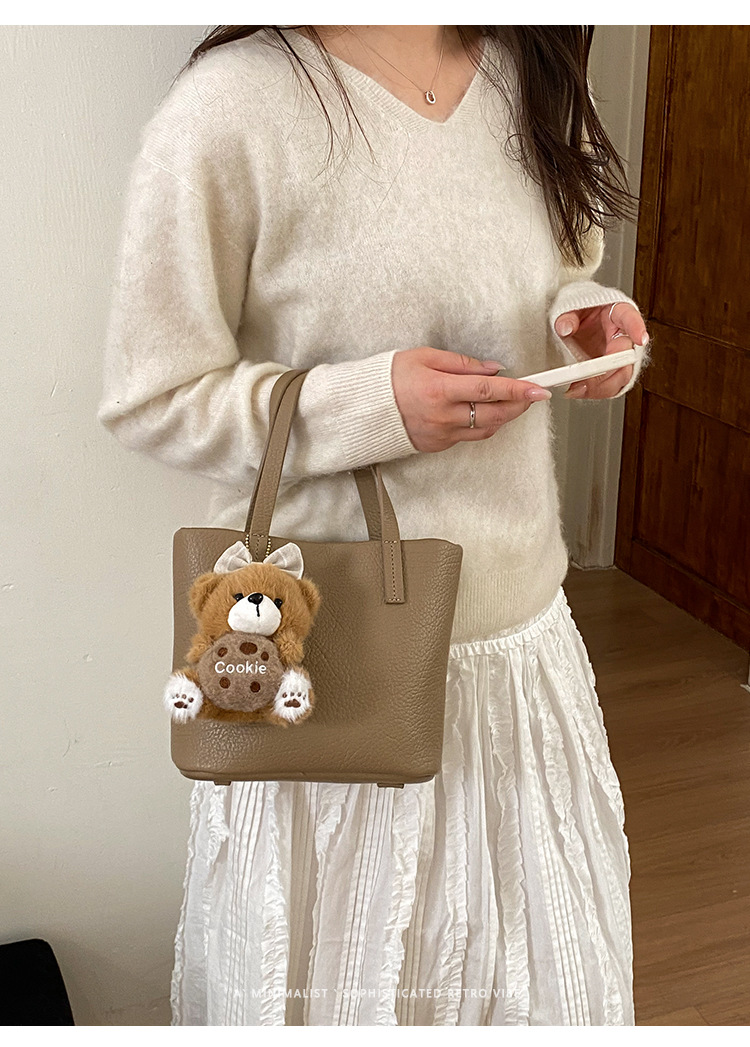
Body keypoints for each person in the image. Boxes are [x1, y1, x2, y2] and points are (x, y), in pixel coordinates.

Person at [98, 25, 652, 1026]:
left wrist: (587, 319)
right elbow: (154, 397)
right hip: (332, 670)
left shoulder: (533, 72)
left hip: (523, 660)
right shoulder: (236, 105)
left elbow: (565, 269)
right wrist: (369, 405)